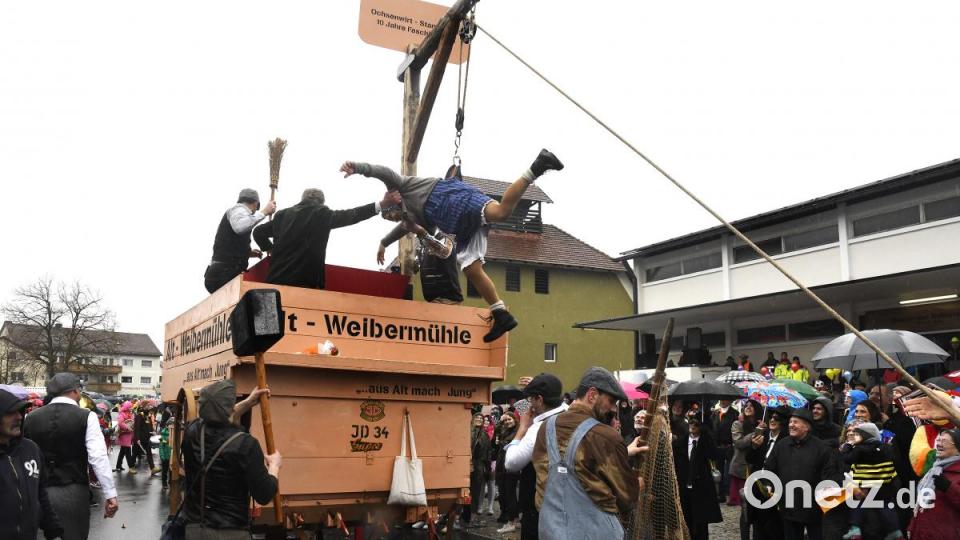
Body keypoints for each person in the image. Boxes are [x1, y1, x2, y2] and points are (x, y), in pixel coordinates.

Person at [340, 150, 564, 342]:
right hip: (461, 223)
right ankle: (501, 314)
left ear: (391, 205)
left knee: (500, 212)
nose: (398, 220)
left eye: (393, 216)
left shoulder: (400, 188)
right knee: (471, 268)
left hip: (451, 198)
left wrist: (358, 167)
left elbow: (384, 172)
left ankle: (537, 165)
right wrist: (383, 243)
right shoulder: (412, 217)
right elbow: (404, 228)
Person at [533, 367, 646, 539]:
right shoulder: (606, 436)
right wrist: (637, 485)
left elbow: (553, 477)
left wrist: (625, 451)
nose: (613, 409)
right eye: (610, 401)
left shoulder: (545, 428)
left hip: (551, 529)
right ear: (592, 395)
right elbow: (627, 497)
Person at [22, 373, 118, 540]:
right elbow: (98, 457)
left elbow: (22, 456)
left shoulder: (30, 418)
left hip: (37, 491)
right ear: (75, 390)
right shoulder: (87, 416)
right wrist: (110, 494)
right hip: (73, 491)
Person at [181, 380, 279, 539]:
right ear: (229, 407)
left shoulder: (191, 431)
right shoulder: (246, 445)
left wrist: (248, 402)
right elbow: (264, 494)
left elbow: (218, 418)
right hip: (231, 532)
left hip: (194, 530)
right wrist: (274, 466)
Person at [252, 188, 401, 289]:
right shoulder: (321, 213)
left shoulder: (282, 215)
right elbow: (352, 215)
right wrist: (382, 204)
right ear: (321, 202)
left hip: (275, 282)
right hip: (306, 286)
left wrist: (270, 249)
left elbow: (258, 232)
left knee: (271, 332)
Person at [504, 373, 568, 540]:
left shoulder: (538, 428)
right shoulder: (572, 414)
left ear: (539, 400)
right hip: (567, 502)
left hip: (538, 505)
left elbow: (511, 463)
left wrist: (523, 428)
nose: (529, 405)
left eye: (531, 399)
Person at [763, 408, 839, 540]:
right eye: (790, 422)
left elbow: (829, 475)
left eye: (796, 422)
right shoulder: (782, 445)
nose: (791, 425)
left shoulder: (821, 448)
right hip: (788, 505)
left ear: (807, 427)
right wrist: (769, 484)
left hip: (813, 508)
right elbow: (769, 469)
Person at [0, 388, 63, 540]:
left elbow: (40, 493)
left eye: (21, 412)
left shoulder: (31, 449)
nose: (19, 417)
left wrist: (52, 527)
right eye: (10, 413)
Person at [204, 188, 277, 293]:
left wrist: (247, 253)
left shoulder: (237, 212)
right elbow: (240, 227)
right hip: (224, 274)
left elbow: (230, 243)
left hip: (222, 273)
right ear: (256, 204)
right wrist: (265, 212)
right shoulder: (239, 209)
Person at [838, 422, 902, 540]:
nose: (852, 435)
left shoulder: (859, 450)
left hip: (864, 485)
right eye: (850, 432)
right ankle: (895, 531)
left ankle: (855, 529)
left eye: (856, 434)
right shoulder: (885, 447)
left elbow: (846, 459)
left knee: (859, 504)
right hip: (884, 485)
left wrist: (846, 448)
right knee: (886, 506)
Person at [673, 416, 722, 540]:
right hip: (684, 486)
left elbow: (714, 456)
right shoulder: (680, 443)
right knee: (685, 518)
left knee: (701, 522)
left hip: (701, 487)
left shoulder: (706, 442)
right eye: (691, 423)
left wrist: (707, 439)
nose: (693, 425)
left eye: (696, 423)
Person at [909, 429, 960, 538]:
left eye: (944, 441)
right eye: (938, 440)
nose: (939, 444)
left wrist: (948, 487)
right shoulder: (932, 470)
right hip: (922, 534)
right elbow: (920, 505)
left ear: (958, 448)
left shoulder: (957, 472)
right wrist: (912, 528)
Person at [744, 409, 787, 540]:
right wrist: (754, 446)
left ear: (782, 422)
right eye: (771, 418)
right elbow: (749, 458)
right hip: (757, 485)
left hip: (773, 487)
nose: (772, 420)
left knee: (772, 525)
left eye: (776, 418)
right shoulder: (763, 435)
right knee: (757, 523)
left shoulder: (785, 440)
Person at [729, 399, 762, 507]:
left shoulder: (762, 424)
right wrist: (755, 433)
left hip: (756, 467)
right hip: (742, 466)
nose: (748, 407)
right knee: (742, 504)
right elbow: (738, 443)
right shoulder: (737, 424)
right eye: (746, 405)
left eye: (751, 406)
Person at [494, 412, 521, 534]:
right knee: (503, 494)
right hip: (501, 467)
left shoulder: (518, 432)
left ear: (515, 419)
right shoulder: (505, 431)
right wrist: (500, 421)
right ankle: (512, 519)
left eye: (509, 419)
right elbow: (497, 432)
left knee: (510, 495)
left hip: (511, 468)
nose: (507, 422)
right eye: (505, 421)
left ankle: (513, 521)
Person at [465, 413, 491, 527]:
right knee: (465, 492)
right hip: (466, 465)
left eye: (482, 418)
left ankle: (472, 518)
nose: (479, 419)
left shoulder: (484, 435)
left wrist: (487, 468)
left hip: (479, 467)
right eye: (477, 417)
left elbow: (488, 452)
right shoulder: (467, 432)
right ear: (473, 419)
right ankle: (460, 517)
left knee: (475, 492)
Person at [711, 399, 737, 503]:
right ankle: (720, 494)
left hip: (729, 446)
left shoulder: (734, 413)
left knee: (729, 471)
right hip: (718, 446)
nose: (722, 401)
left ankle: (730, 494)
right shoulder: (715, 413)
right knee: (719, 471)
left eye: (725, 399)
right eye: (721, 399)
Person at [134, 402, 160, 476]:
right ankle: (131, 466)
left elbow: (149, 425)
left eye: (149, 405)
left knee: (149, 452)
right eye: (148, 406)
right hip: (140, 438)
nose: (149, 407)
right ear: (143, 406)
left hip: (146, 438)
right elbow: (137, 428)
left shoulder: (148, 415)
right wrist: (137, 438)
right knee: (135, 453)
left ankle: (153, 468)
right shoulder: (139, 415)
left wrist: (152, 431)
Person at [114, 401, 135, 472]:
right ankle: (131, 467)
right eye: (130, 407)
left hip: (128, 434)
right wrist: (127, 427)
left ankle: (118, 466)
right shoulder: (122, 414)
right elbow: (120, 423)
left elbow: (132, 422)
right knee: (128, 451)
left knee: (122, 451)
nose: (131, 408)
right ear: (127, 407)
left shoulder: (130, 414)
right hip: (124, 434)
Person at [159, 417, 173, 489]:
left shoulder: (175, 432)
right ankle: (164, 483)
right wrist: (162, 455)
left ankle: (171, 482)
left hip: (172, 455)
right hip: (165, 455)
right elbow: (161, 445)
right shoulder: (163, 433)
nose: (172, 426)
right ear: (168, 425)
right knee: (165, 470)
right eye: (171, 424)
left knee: (171, 470)